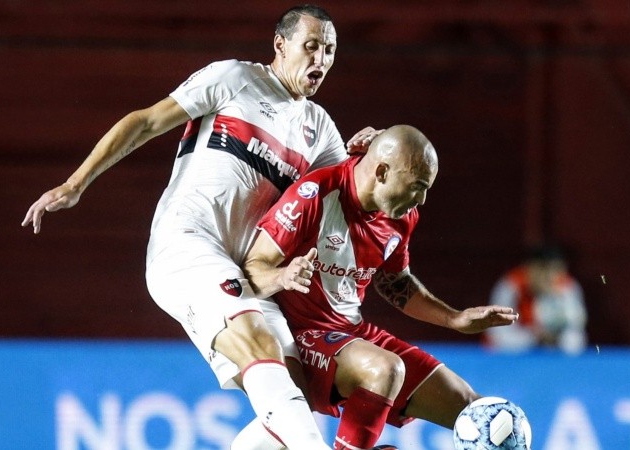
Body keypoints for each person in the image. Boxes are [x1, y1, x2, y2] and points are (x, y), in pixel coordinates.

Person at [21, 5, 380, 450]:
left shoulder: (320, 128)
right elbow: (147, 121)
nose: (321, 60)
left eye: (329, 50)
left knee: (297, 394)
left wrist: (373, 157)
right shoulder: (234, 79)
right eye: (311, 46)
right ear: (280, 45)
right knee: (257, 345)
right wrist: (76, 183)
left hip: (246, 273)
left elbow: (353, 200)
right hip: (185, 247)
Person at [242, 125, 521, 450]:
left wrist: (454, 319)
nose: (422, 199)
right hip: (300, 338)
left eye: (426, 189)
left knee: (480, 413)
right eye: (417, 187)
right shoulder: (316, 194)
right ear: (382, 171)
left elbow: (395, 282)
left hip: (351, 334)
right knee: (385, 369)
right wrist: (282, 277)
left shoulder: (402, 217)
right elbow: (251, 268)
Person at [483, 244, 587, 354]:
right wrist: (534, 337)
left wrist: (555, 338)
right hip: (510, 358)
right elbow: (495, 336)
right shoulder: (510, 286)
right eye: (543, 270)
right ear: (529, 268)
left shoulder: (568, 288)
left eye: (556, 270)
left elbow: (577, 334)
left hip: (550, 356)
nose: (550, 277)